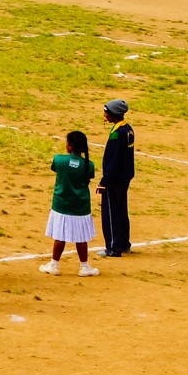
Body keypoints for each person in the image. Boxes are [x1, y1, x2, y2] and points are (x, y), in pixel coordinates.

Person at [39, 129, 100, 276]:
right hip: (80, 206)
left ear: (70, 146)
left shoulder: (59, 159)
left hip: (61, 204)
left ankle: (54, 264)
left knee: (59, 236)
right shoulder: (88, 165)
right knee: (82, 237)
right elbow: (88, 175)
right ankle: (84, 267)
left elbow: (55, 168)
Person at [99, 100, 135, 257]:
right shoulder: (128, 129)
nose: (105, 114)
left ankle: (113, 248)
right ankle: (124, 243)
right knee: (121, 210)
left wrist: (104, 181)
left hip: (114, 179)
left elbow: (113, 160)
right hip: (124, 177)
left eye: (106, 112)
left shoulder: (116, 134)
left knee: (111, 213)